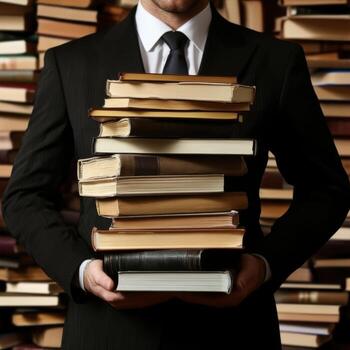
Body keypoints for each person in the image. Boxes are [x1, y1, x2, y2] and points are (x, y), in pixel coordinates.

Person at [3, 0, 350, 349]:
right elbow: (25, 197)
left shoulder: (275, 61)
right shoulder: (72, 63)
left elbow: (326, 190)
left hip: (235, 331)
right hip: (109, 332)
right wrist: (81, 272)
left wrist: (264, 265)